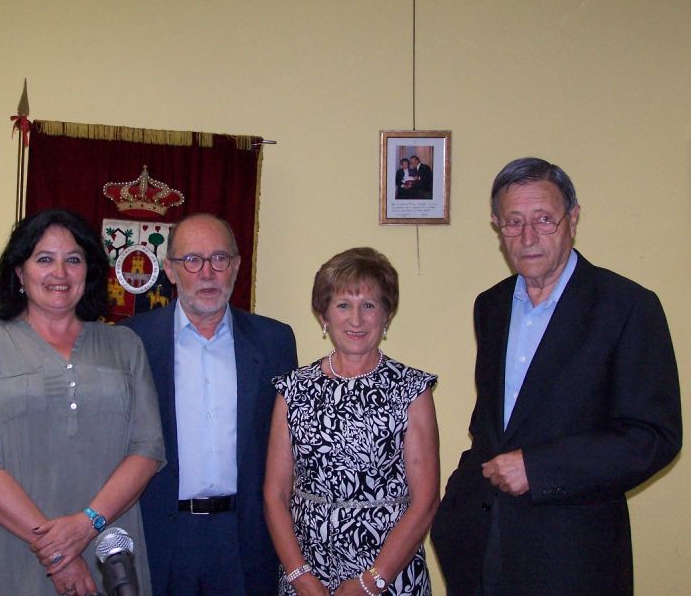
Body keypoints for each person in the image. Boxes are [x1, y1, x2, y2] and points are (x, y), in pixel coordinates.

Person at [431, 157, 682, 596]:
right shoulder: (490, 305)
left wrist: (539, 467)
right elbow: (495, 425)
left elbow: (653, 437)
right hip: (480, 550)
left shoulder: (626, 306)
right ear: (497, 226)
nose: (528, 237)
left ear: (573, 218)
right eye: (514, 222)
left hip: (573, 558)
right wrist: (456, 509)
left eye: (544, 219)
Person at [0, 209, 166, 596]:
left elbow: (148, 449)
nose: (60, 273)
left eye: (74, 260)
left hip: (109, 552)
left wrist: (86, 524)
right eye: (45, 259)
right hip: (14, 552)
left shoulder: (125, 345)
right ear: (20, 272)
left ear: (89, 271)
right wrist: (58, 554)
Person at [123, 213, 298, 595]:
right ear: (170, 270)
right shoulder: (132, 341)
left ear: (235, 266)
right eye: (192, 260)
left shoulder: (274, 342)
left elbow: (287, 448)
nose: (207, 273)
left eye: (219, 259)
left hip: (245, 538)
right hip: (161, 536)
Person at [264, 247, 440, 596]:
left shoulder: (411, 389)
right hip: (307, 574)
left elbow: (426, 501)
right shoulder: (293, 389)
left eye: (369, 305)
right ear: (324, 314)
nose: (356, 320)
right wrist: (299, 576)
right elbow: (275, 493)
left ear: (386, 314)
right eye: (343, 305)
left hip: (389, 577)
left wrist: (372, 581)